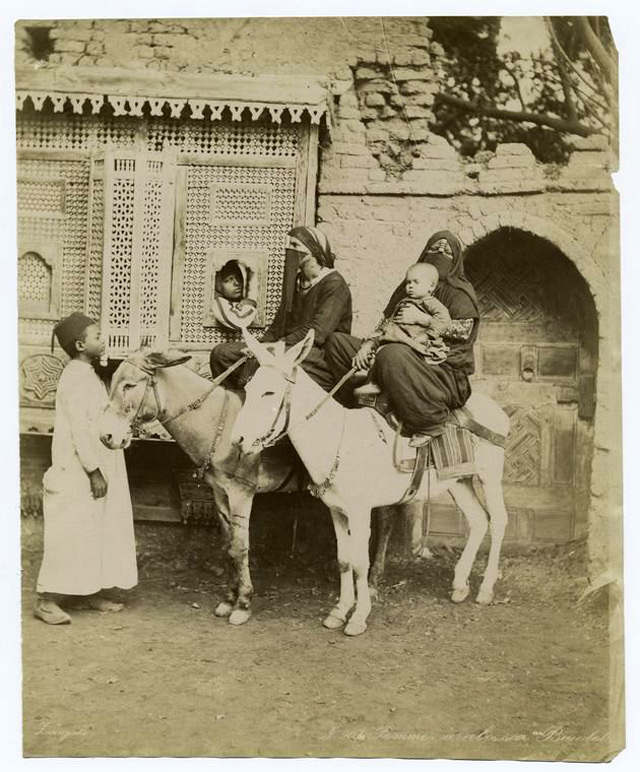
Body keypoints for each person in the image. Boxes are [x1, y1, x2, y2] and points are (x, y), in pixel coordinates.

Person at [34, 313, 138, 625]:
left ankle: (88, 591)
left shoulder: (88, 373)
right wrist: (93, 470)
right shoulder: (75, 377)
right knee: (70, 531)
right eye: (97, 335)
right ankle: (46, 599)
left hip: (95, 464)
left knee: (95, 530)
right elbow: (79, 428)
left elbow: (98, 419)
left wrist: (120, 436)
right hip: (76, 468)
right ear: (81, 345)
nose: (103, 339)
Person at [325, 230, 480, 437]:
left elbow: (464, 331)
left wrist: (422, 319)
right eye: (434, 248)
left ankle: (428, 423)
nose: (438, 253)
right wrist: (368, 345)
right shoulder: (407, 289)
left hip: (438, 368)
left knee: (391, 354)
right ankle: (362, 402)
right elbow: (384, 323)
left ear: (456, 259)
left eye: (446, 251)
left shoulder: (459, 293)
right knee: (336, 342)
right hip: (395, 349)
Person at [210, 225, 352, 391]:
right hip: (286, 347)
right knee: (222, 353)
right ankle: (240, 400)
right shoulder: (296, 279)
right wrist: (259, 345)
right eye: (289, 245)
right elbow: (279, 324)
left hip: (317, 353)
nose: (290, 250)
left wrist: (276, 346)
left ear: (313, 250)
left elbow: (318, 332)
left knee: (267, 359)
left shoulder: (334, 283)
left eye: (295, 245)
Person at [210, 259, 258, 330]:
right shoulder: (217, 302)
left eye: (238, 277)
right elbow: (240, 322)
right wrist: (249, 304)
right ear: (218, 285)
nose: (237, 283)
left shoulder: (237, 301)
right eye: (229, 280)